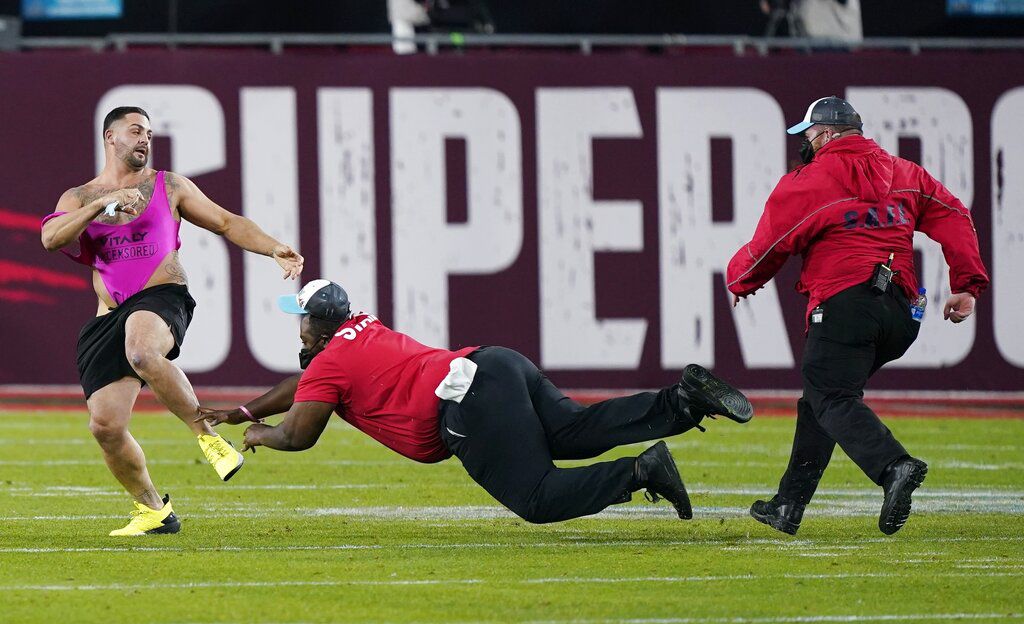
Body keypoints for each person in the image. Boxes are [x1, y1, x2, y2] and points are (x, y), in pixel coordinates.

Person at [198, 280, 755, 524]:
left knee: (536, 497)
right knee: (573, 429)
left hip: (463, 403)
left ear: (316, 328)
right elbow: (307, 386)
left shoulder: (327, 361)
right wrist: (247, 409)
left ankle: (640, 471)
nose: (296, 329)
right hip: (496, 363)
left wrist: (257, 436)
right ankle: (682, 402)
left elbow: (300, 432)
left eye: (300, 320)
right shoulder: (356, 331)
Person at [726, 96, 989, 536]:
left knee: (830, 395)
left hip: (846, 305)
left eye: (808, 135)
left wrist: (740, 280)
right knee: (823, 396)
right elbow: (955, 214)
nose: (805, 143)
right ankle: (788, 505)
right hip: (902, 315)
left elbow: (770, 245)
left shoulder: (810, 180)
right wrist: (967, 283)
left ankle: (893, 467)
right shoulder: (905, 173)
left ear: (827, 135)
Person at [41, 106, 304, 536]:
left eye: (149, 132)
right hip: (108, 317)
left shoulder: (169, 185)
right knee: (105, 426)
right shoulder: (80, 197)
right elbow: (51, 238)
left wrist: (273, 247)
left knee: (143, 350)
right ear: (111, 138)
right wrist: (102, 205)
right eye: (135, 131)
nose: (145, 139)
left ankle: (208, 437)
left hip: (162, 298)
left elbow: (225, 222)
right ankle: (153, 511)